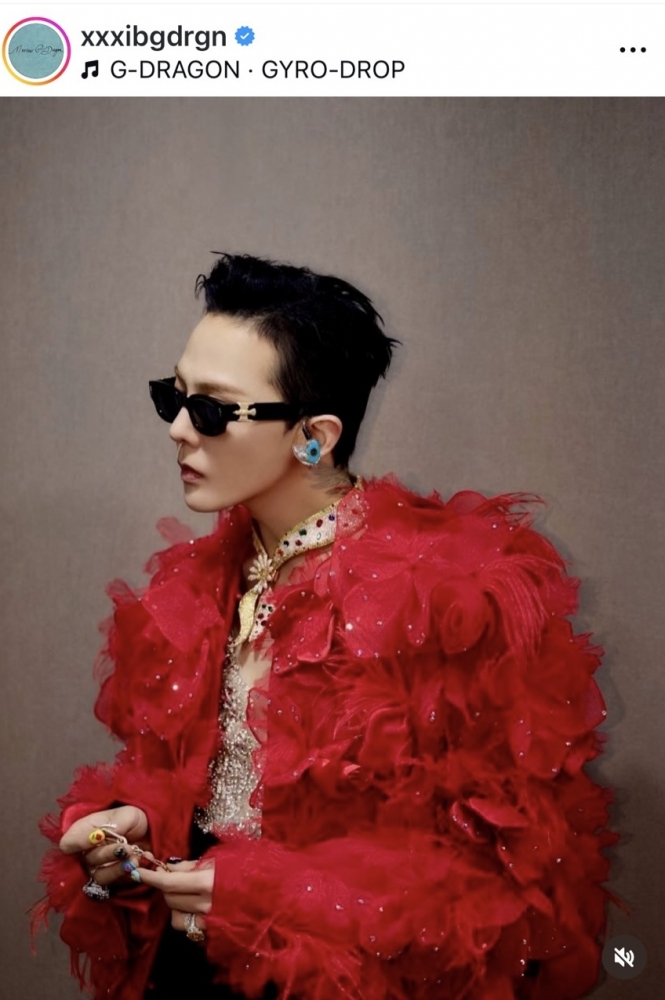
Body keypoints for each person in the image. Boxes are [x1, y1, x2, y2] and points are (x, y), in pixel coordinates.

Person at [31, 253, 624, 1000]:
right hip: (189, 969)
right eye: (172, 398)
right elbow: (209, 781)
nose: (179, 430)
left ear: (313, 436)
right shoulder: (195, 585)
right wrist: (139, 820)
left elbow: (499, 883)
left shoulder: (450, 602)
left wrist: (274, 894)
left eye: (211, 410)